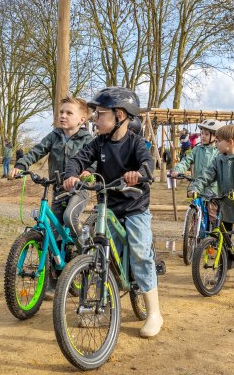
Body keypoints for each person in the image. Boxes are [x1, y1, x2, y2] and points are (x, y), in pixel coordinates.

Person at [62, 87, 162, 338]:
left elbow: (148, 164)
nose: (95, 119)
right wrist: (71, 175)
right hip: (108, 206)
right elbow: (78, 159)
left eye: (100, 114)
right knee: (98, 252)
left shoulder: (136, 143)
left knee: (140, 253)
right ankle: (102, 305)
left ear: (120, 115)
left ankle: (154, 313)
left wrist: (139, 174)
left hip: (134, 207)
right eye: (95, 114)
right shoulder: (99, 143)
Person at [9, 97, 93, 297]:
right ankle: (53, 282)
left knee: (69, 216)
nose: (63, 116)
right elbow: (37, 151)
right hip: (58, 188)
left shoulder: (87, 139)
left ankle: (84, 252)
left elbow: (95, 159)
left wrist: (88, 171)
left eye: (69, 113)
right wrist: (21, 165)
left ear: (82, 119)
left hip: (79, 189)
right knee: (52, 234)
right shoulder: (54, 136)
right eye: (61, 112)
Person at [188, 124, 234, 282]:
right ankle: (222, 269)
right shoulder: (219, 159)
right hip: (226, 201)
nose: (216, 143)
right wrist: (196, 188)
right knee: (223, 233)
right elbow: (207, 174)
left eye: (219, 141)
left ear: (230, 142)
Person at [170, 119, 224, 192]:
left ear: (216, 136)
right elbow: (186, 161)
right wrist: (177, 170)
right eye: (202, 133)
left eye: (206, 134)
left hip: (214, 189)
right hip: (197, 187)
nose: (203, 136)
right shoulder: (197, 149)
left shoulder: (219, 151)